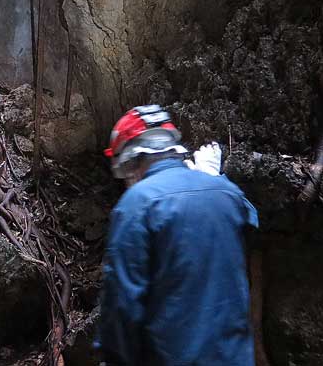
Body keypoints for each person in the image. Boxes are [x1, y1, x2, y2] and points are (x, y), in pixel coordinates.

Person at [97, 105, 259, 366]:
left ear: (131, 162)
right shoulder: (225, 192)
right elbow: (250, 218)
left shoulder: (138, 204)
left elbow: (122, 307)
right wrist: (212, 179)